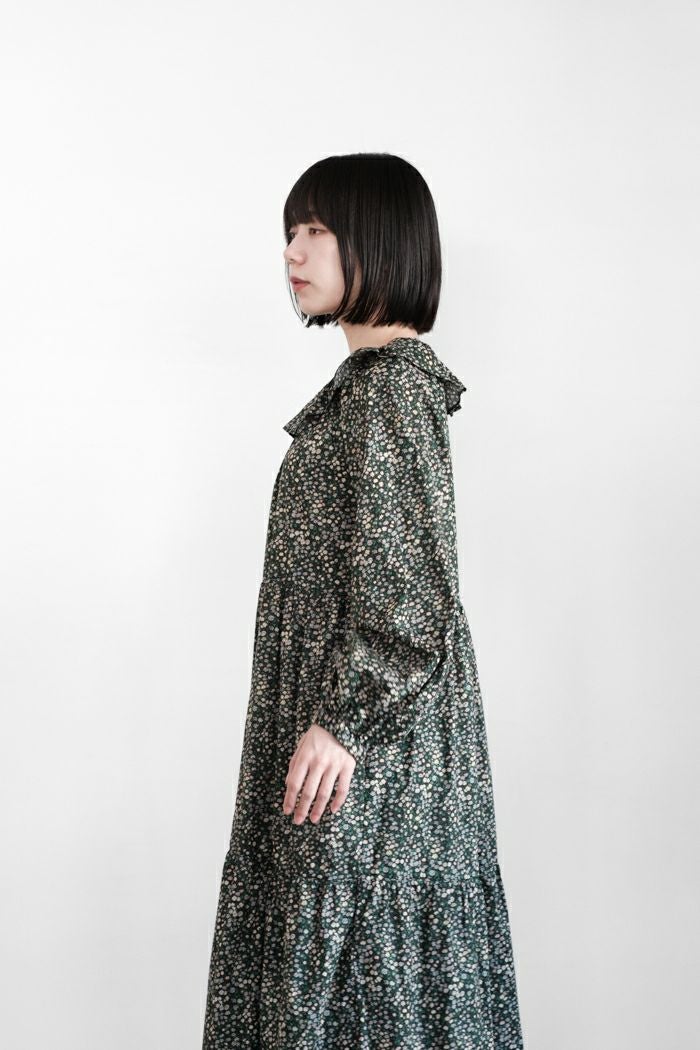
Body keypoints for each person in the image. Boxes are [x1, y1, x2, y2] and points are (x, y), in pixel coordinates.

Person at [201, 152, 525, 1049]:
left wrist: (343, 721)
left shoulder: (389, 394)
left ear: (378, 241)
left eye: (317, 231)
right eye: (290, 232)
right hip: (365, 752)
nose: (293, 253)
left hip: (371, 767)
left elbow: (411, 596)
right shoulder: (374, 391)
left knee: (359, 991)